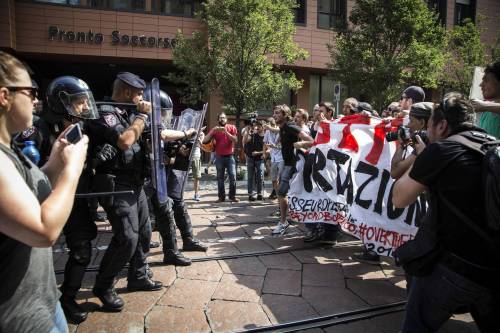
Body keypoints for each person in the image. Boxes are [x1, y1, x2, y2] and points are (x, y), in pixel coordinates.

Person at [393, 95, 500, 333]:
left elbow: (399, 198)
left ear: (441, 126)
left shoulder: (442, 149)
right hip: (493, 267)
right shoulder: (494, 145)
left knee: (417, 326)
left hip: (453, 268)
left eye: (429, 125)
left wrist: (422, 156)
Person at [0, 51, 88, 332]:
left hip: (44, 303)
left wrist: (55, 161)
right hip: (20, 319)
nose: (36, 100)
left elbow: (33, 190)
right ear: (4, 96)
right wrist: (73, 169)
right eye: (30, 91)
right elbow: (43, 230)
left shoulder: (9, 149)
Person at [87, 72, 163, 312]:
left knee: (144, 232)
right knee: (127, 237)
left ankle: (138, 275)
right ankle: (104, 285)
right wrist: (141, 116)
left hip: (135, 183)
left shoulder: (128, 113)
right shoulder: (106, 112)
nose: (142, 98)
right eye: (139, 94)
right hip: (115, 183)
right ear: (129, 93)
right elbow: (124, 141)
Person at [43, 76, 101, 324]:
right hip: (47, 204)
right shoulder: (39, 130)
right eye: (78, 103)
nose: (83, 107)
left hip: (77, 199)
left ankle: (67, 298)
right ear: (62, 103)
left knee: (82, 248)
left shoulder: (83, 129)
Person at [272, 104, 313, 235]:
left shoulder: (290, 126)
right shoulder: (283, 127)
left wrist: (301, 143)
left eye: (278, 113)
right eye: (274, 113)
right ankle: (288, 220)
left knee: (282, 192)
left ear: (285, 115)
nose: (275, 115)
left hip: (294, 165)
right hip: (288, 164)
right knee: (285, 193)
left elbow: (311, 140)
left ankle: (284, 222)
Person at [202, 112, 239, 202]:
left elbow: (235, 140)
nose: (222, 119)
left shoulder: (232, 127)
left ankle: (232, 196)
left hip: (230, 156)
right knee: (220, 178)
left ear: (226, 119)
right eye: (220, 118)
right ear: (218, 120)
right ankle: (221, 197)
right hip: (219, 157)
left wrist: (226, 132)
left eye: (224, 118)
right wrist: (213, 131)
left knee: (233, 176)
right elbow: (204, 140)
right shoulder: (215, 129)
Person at [473, 60, 500, 138]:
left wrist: (485, 106)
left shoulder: (485, 107)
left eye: (486, 80)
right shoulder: (486, 112)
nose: (481, 85)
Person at [243, 119, 266, 201]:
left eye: (259, 126)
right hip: (250, 158)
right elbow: (245, 141)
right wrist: (247, 131)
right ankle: (250, 195)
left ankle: (259, 194)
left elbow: (267, 150)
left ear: (263, 127)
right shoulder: (252, 134)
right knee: (250, 177)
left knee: (260, 176)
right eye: (257, 126)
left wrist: (258, 153)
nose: (257, 128)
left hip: (259, 159)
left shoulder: (265, 136)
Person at [263, 117, 283, 200]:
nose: (270, 126)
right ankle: (277, 195)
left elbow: (278, 131)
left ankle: (282, 196)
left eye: (272, 124)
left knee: (281, 179)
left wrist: (270, 128)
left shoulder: (280, 129)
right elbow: (264, 142)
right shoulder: (267, 131)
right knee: (274, 179)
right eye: (269, 124)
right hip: (273, 158)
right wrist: (264, 153)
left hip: (282, 157)